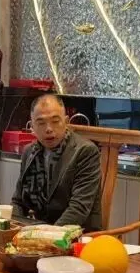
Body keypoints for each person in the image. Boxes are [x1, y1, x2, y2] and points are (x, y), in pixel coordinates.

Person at [11, 94, 102, 231]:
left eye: (55, 121)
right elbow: (18, 201)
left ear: (66, 122)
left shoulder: (85, 151)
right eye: (41, 123)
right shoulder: (29, 152)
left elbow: (79, 208)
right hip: (39, 231)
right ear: (32, 126)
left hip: (79, 235)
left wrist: (48, 235)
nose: (49, 129)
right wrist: (12, 228)